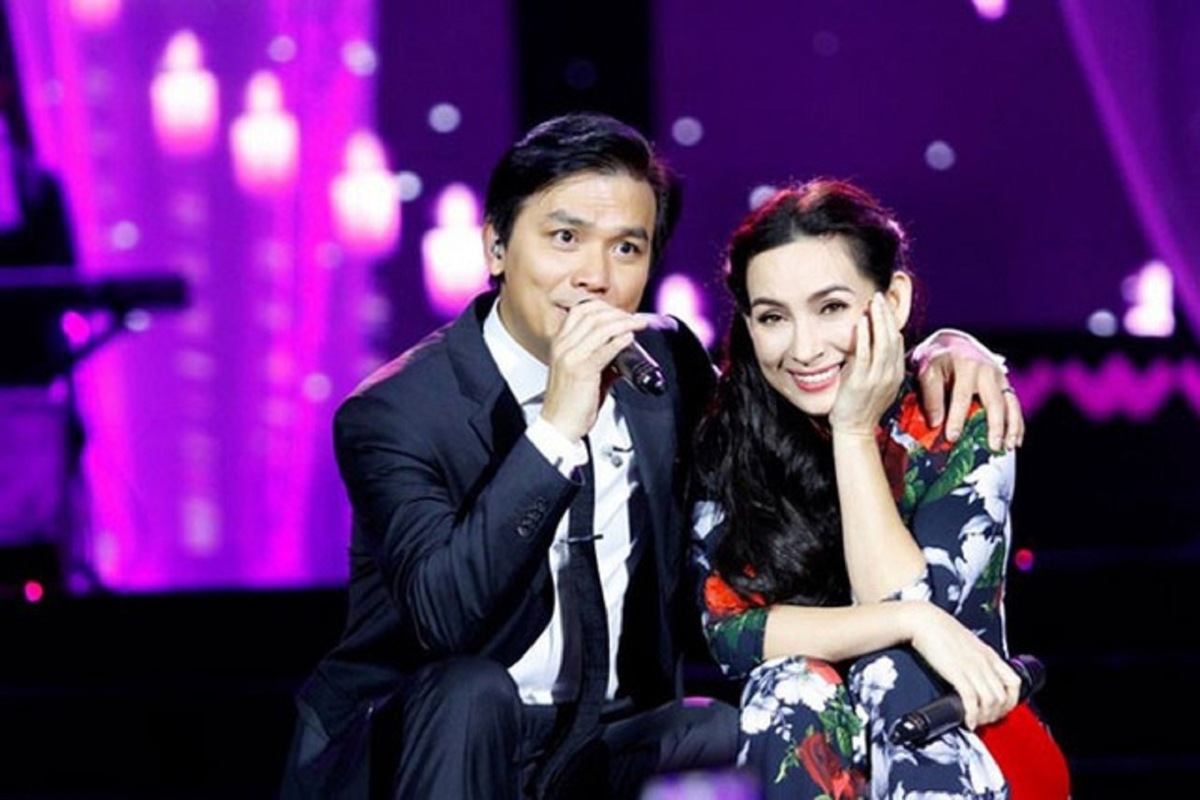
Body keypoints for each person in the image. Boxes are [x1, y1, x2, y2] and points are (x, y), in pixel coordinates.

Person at [280, 114, 1024, 800]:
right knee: (470, 691)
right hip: (434, 735)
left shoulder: (662, 365)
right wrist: (557, 427)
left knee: (747, 729)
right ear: (496, 246)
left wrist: (942, 348)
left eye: (627, 248)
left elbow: (797, 380)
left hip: (603, 736)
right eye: (565, 238)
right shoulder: (397, 411)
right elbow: (444, 620)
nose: (595, 276)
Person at [688, 178, 1069, 798]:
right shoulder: (728, 437)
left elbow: (918, 626)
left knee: (890, 670)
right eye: (773, 317)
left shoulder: (957, 417)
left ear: (892, 300)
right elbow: (733, 635)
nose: (804, 348)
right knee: (788, 687)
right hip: (809, 741)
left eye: (831, 308)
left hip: (954, 732)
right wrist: (909, 620)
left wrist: (853, 431)